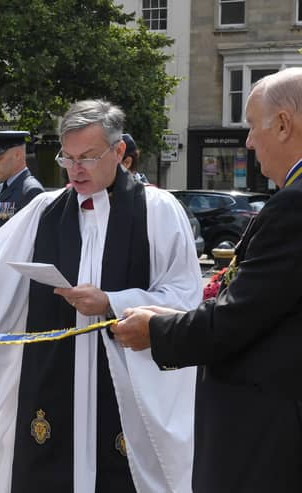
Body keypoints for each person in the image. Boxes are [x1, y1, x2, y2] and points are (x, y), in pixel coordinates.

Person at [0, 99, 202, 493]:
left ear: (119, 152)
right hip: (52, 381)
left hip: (126, 384)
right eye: (67, 158)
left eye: (87, 157)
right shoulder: (44, 210)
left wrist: (112, 302)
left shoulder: (158, 210)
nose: (75, 169)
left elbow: (184, 295)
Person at [112, 67, 302, 493]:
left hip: (268, 430)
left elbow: (239, 320)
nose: (249, 142)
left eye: (253, 127)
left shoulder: (294, 205)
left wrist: (156, 329)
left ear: (285, 125)